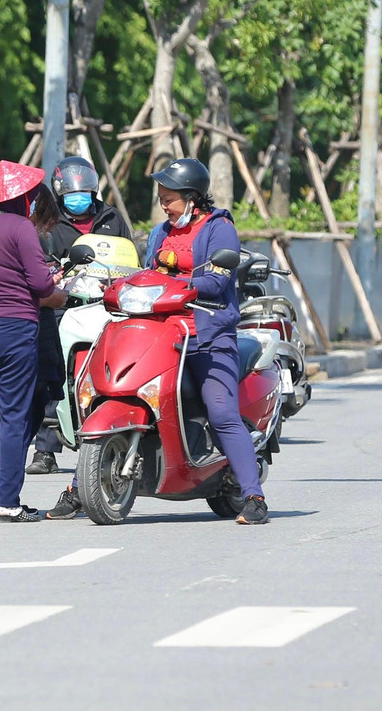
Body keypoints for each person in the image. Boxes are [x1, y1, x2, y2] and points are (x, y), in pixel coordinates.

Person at [47, 158, 270, 525]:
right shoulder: (158, 232)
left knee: (221, 411)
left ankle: (253, 495)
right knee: (116, 391)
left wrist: (186, 287)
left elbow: (218, 279)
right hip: (160, 328)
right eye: (161, 198)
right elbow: (146, 272)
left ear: (193, 198)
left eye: (170, 198)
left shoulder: (219, 229)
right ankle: (80, 487)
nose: (164, 205)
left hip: (207, 333)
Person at [0, 161, 66, 522]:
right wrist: (58, 288)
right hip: (14, 331)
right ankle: (7, 502)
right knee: (14, 418)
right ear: (21, 198)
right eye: (32, 198)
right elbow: (40, 285)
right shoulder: (21, 227)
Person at [26, 156, 134, 475]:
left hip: (106, 303)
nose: (79, 197)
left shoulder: (112, 217)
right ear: (59, 191)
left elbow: (129, 254)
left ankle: (116, 438)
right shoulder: (49, 221)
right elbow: (41, 260)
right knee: (55, 374)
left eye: (85, 191)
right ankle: (45, 449)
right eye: (73, 192)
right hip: (63, 306)